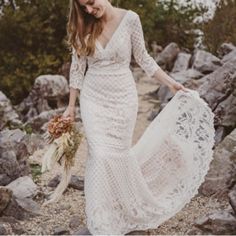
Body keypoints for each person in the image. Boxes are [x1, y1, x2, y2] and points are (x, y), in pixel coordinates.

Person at [63, 0, 215, 235]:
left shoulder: (130, 19)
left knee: (118, 153)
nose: (89, 11)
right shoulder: (83, 25)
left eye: (91, 4)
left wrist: (171, 83)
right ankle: (101, 220)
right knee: (100, 154)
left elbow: (143, 58)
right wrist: (71, 107)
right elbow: (77, 68)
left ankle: (123, 208)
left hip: (123, 99)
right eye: (84, 8)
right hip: (93, 98)